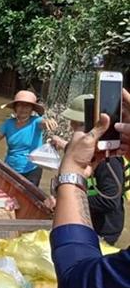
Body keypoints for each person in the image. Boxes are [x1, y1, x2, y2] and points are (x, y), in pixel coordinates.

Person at [50, 94, 126, 245]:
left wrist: (64, 199)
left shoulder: (108, 160)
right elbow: (80, 156)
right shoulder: (91, 152)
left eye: (78, 124)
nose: (71, 126)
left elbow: (110, 201)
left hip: (104, 228)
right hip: (89, 220)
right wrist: (63, 144)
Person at [0, 90, 57, 187]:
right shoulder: (8, 123)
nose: (23, 109)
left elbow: (43, 122)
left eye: (27, 106)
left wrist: (48, 122)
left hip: (31, 169)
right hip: (10, 167)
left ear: (32, 109)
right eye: (20, 105)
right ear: (15, 107)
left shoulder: (36, 121)